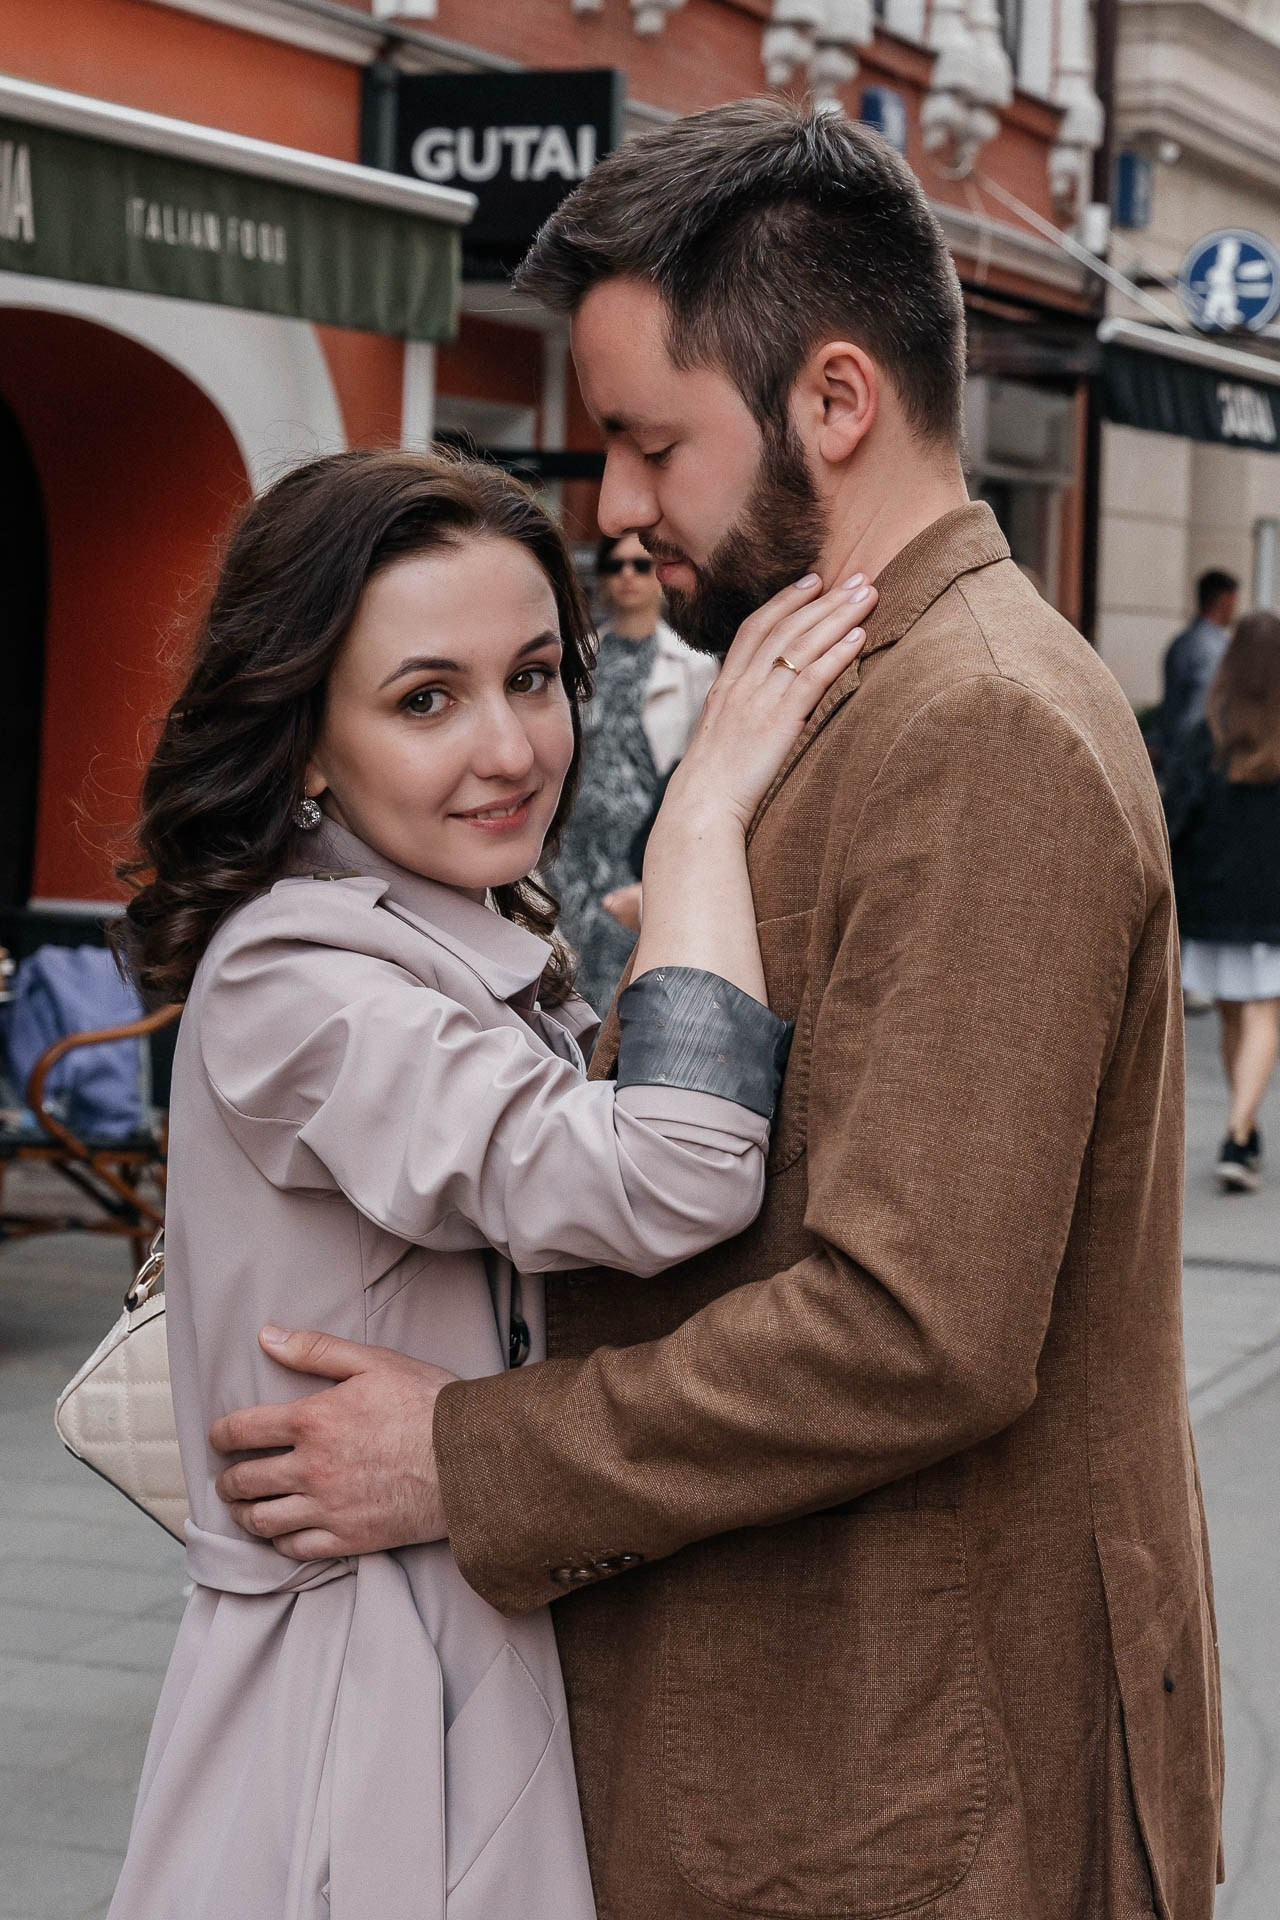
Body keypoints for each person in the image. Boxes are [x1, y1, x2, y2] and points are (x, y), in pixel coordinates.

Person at [212, 103, 1224, 1920]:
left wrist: (453, 1456)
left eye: (645, 441)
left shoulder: (973, 723)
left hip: (904, 1788)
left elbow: (912, 1328)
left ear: (832, 402)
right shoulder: (870, 691)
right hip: (833, 1758)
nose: (611, 504)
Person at [106, 447, 872, 1920]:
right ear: (308, 742)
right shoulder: (299, 981)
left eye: (534, 676)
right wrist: (702, 808)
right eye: (425, 699)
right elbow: (673, 1176)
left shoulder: (432, 940)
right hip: (363, 1698)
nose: (514, 748)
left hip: (447, 1641)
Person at [544, 530, 714, 1010]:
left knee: (632, 975)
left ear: (659, 576)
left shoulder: (695, 664)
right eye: (615, 566)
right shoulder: (574, 657)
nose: (627, 576)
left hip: (642, 844)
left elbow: (698, 766)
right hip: (573, 847)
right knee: (567, 973)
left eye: (640, 566)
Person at [1165, 609, 1280, 1192]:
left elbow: (1176, 815)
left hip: (1214, 898)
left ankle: (1246, 1127)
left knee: (1237, 1010)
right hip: (1271, 903)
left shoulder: (1208, 730)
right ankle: (1240, 1131)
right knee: (1262, 1010)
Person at [1153, 566, 1240, 765]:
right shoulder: (1215, 649)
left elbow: (1171, 704)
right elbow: (1201, 710)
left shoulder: (1181, 642)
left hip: (1171, 753)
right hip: (1195, 760)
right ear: (1226, 601)